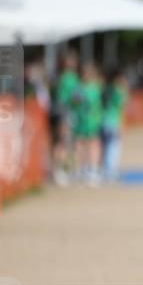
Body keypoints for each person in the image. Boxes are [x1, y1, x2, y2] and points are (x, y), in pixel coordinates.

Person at [51, 50, 81, 185]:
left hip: (64, 113)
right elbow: (75, 97)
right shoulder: (69, 78)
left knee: (65, 143)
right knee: (63, 142)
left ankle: (64, 170)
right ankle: (59, 171)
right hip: (65, 113)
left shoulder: (62, 77)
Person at [73, 63, 104, 185]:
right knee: (80, 145)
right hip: (81, 121)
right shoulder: (78, 88)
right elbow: (74, 103)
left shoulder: (94, 88)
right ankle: (81, 169)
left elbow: (97, 105)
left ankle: (92, 169)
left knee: (93, 144)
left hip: (92, 122)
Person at [100, 69, 129, 183]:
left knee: (105, 146)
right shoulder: (117, 91)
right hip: (114, 121)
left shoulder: (104, 89)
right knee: (114, 147)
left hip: (103, 120)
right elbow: (122, 104)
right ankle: (111, 172)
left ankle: (105, 170)